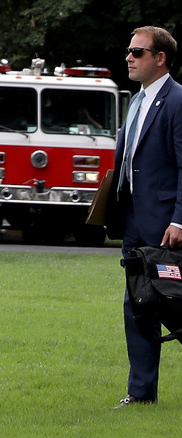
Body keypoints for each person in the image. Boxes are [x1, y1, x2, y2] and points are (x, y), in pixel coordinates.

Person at [107, 26, 182, 409]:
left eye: (138, 52)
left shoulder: (177, 100)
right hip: (134, 221)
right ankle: (140, 393)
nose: (129, 57)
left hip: (167, 226)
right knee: (138, 305)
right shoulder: (136, 101)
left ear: (160, 58)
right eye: (129, 50)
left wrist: (180, 220)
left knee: (175, 305)